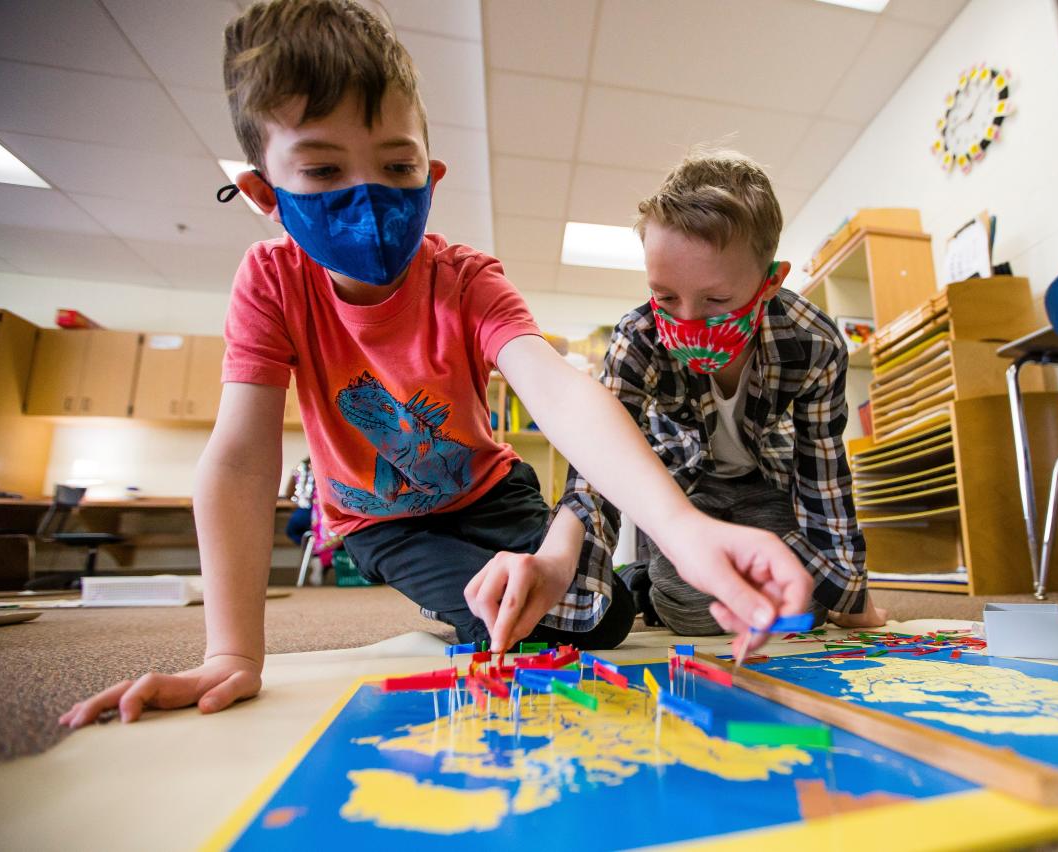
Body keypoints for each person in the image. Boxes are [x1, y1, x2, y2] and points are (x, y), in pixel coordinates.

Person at [59, 0, 811, 729]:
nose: (370, 195)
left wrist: (681, 529)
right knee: (527, 629)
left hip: (493, 493)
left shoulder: (465, 277)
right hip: (384, 525)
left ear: (431, 171)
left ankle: (577, 585)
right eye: (322, 171)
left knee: (605, 619)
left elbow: (558, 389)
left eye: (396, 164)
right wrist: (231, 650)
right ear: (264, 193)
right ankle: (468, 595)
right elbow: (241, 461)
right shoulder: (272, 283)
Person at [480, 149, 885, 640]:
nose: (688, 321)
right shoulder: (638, 336)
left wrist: (850, 593)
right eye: (666, 297)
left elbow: (822, 469)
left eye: (717, 301)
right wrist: (561, 562)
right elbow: (596, 465)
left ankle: (664, 575)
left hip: (766, 480)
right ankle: (647, 579)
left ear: (770, 282)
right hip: (680, 488)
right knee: (695, 613)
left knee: (799, 599)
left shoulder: (814, 341)